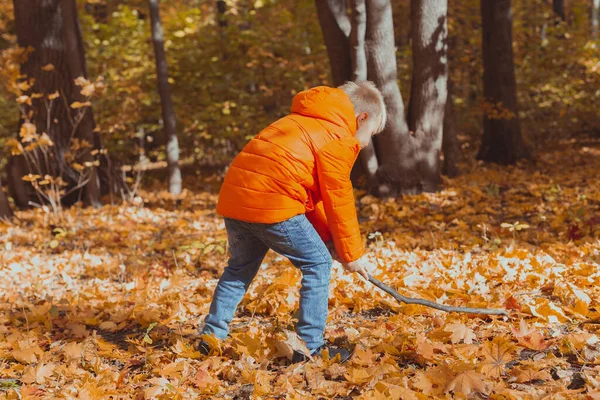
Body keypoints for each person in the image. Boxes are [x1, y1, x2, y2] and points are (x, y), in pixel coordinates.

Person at [198, 81, 387, 363]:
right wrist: (351, 254)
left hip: (238, 199)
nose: (367, 142)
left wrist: (328, 239)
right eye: (370, 133)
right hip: (273, 202)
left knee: (239, 268)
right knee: (318, 263)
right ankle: (309, 347)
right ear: (361, 119)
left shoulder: (298, 123)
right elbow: (338, 196)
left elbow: (307, 196)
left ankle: (210, 337)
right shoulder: (338, 138)